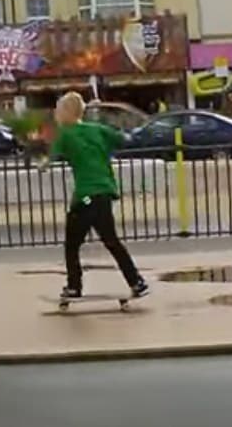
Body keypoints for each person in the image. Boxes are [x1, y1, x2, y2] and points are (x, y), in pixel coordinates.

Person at [39, 91, 150, 299]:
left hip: (86, 196)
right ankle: (136, 282)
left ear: (66, 113)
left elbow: (50, 160)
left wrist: (41, 165)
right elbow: (124, 139)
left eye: (58, 110)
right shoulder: (98, 129)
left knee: (72, 244)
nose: (55, 114)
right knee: (111, 240)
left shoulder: (65, 134)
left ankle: (74, 286)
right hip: (105, 192)